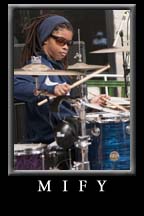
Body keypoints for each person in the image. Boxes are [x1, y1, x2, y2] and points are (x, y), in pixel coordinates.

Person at [14, 14, 109, 167]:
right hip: (48, 145)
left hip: (68, 140)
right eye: (60, 41)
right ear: (45, 39)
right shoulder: (35, 68)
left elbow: (67, 106)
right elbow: (16, 86)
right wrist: (50, 89)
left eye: (68, 43)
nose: (65, 47)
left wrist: (89, 104)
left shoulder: (60, 72)